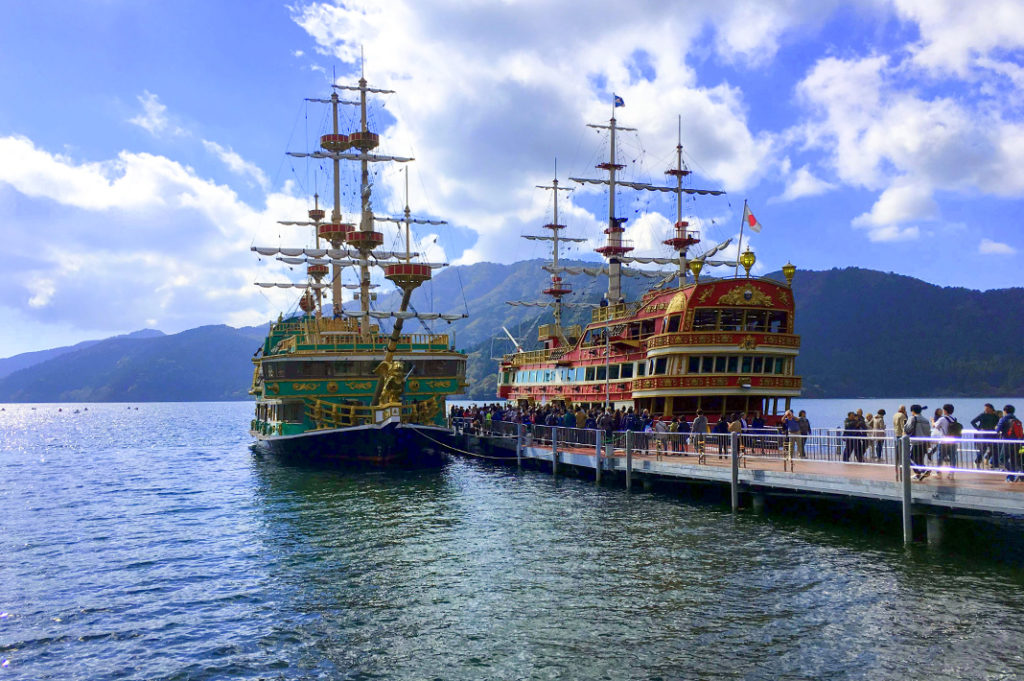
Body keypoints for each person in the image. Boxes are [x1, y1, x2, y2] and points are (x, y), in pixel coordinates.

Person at [995, 405, 1022, 483]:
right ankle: (1013, 476)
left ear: (1005, 411)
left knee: (1002, 459)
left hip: (1007, 442)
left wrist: (996, 427)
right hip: (1017, 442)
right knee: (1014, 460)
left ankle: (1013, 474)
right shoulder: (1016, 419)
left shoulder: (1003, 419)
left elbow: (997, 430)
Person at [905, 404, 932, 480]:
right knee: (919, 459)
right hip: (923, 443)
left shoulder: (912, 418)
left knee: (908, 458)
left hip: (914, 442)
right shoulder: (926, 420)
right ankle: (918, 475)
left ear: (912, 411)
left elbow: (907, 429)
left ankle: (924, 470)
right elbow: (928, 432)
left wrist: (905, 425)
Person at [933, 404, 958, 480]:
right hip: (953, 441)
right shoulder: (954, 419)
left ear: (945, 410)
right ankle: (951, 474)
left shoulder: (942, 419)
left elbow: (935, 426)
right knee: (953, 457)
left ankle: (939, 473)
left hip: (944, 441)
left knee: (940, 457)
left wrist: (932, 421)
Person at [970, 403, 1000, 468]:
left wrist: (997, 430)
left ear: (991, 409)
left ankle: (993, 463)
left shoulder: (995, 416)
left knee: (994, 449)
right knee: (983, 449)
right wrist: (979, 429)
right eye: (985, 409)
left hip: (992, 435)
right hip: (984, 435)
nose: (986, 410)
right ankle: (977, 461)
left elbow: (998, 424)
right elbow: (972, 422)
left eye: (987, 408)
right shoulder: (982, 415)